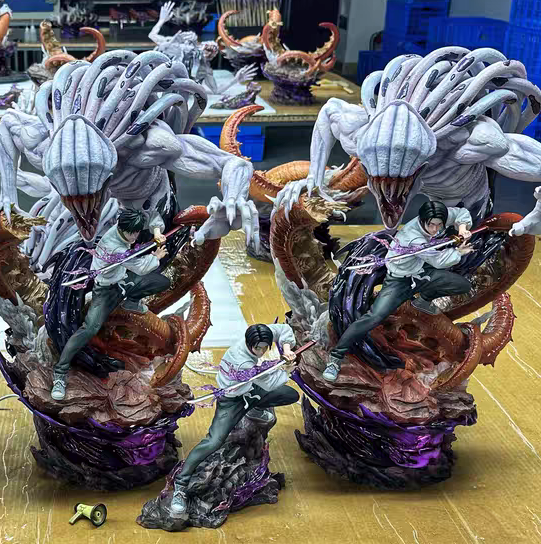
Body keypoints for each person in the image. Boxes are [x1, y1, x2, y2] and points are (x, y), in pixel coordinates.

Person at [323, 200, 474, 383]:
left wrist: (462, 228)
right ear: (422, 220)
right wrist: (459, 252)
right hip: (398, 281)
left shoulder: (436, 215)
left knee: (462, 285)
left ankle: (423, 300)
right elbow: (439, 261)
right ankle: (335, 358)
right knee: (373, 317)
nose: (435, 229)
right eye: (431, 225)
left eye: (439, 225)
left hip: (421, 273)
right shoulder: (413, 238)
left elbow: (460, 213)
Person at [170, 323, 298, 518]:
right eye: (258, 348)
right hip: (232, 401)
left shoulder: (259, 335)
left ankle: (256, 410)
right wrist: (287, 368)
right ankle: (180, 486)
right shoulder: (242, 362)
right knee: (213, 441)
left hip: (252, 391)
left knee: (289, 395)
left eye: (265, 347)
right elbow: (270, 382)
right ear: (248, 343)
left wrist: (286, 349)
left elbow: (283, 330)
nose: (262, 352)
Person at [51, 207, 172, 401]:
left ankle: (131, 302)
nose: (135, 236)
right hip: (106, 291)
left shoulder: (127, 223)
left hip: (123, 280)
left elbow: (151, 215)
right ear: (121, 228)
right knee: (89, 328)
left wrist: (157, 231)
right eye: (131, 233)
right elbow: (141, 268)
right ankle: (60, 373)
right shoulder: (114, 248)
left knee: (161, 282)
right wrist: (155, 257)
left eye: (137, 232)